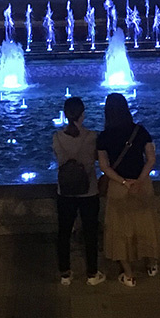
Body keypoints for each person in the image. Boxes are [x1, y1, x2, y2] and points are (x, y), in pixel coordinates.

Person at [96, 92, 160, 287]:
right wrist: (139, 180)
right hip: (142, 185)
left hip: (118, 186)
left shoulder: (104, 137)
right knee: (146, 224)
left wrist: (124, 182)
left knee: (119, 230)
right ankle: (152, 264)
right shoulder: (140, 131)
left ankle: (129, 275)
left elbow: (104, 166)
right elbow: (151, 159)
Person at [52, 96, 104, 286]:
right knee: (90, 232)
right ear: (83, 115)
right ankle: (92, 273)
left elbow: (58, 158)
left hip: (65, 191)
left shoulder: (57, 137)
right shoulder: (92, 137)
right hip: (88, 191)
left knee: (64, 232)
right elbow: (98, 159)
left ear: (65, 115)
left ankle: (65, 273)